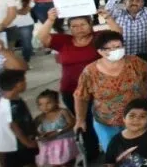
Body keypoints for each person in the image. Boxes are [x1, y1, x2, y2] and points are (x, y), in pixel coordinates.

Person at [38, 9, 104, 159]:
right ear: (69, 28)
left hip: (98, 88)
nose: (79, 28)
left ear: (90, 24)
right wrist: (50, 20)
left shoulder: (99, 37)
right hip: (71, 90)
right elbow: (41, 38)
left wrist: (108, 17)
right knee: (83, 121)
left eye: (82, 24)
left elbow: (117, 34)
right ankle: (91, 152)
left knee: (102, 119)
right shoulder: (63, 41)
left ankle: (109, 149)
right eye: (74, 26)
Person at [73, 30, 147, 152]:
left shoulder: (137, 63)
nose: (115, 50)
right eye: (109, 48)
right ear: (99, 51)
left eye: (118, 47)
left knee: (140, 154)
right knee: (114, 155)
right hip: (106, 123)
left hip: (137, 120)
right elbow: (81, 97)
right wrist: (80, 120)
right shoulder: (90, 72)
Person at [0, 69, 44, 167]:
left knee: (29, 160)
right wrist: (27, 142)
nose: (26, 83)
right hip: (15, 144)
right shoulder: (7, 105)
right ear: (17, 84)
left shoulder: (16, 99)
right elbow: (13, 126)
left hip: (24, 140)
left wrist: (33, 132)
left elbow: (25, 118)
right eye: (24, 81)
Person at [33, 89, 78, 167]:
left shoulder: (63, 112)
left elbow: (72, 123)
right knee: (54, 162)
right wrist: (40, 135)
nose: (44, 107)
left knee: (70, 159)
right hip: (50, 144)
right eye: (41, 104)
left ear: (56, 102)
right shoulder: (40, 118)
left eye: (48, 103)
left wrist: (58, 131)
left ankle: (68, 165)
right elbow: (32, 129)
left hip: (66, 142)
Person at [0, 0, 34, 64]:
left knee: (26, 45)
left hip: (25, 25)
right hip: (11, 25)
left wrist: (11, 10)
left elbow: (24, 12)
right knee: (8, 47)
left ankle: (26, 61)